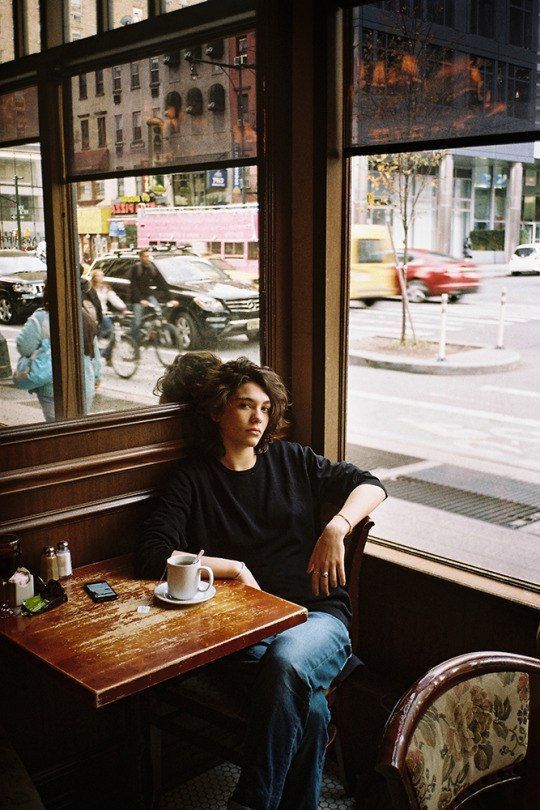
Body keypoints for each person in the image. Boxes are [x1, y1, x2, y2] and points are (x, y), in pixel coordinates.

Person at [137, 353, 387, 810]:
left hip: (317, 618)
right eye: (245, 405)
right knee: (309, 711)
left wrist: (337, 527)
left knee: (289, 661)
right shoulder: (191, 480)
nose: (258, 417)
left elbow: (372, 485)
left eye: (266, 408)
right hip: (244, 630)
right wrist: (231, 567)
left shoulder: (292, 461)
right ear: (216, 411)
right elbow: (154, 552)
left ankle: (250, 802)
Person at [16, 284, 101, 422]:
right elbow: (93, 352)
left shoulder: (40, 318)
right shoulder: (84, 316)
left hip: (52, 389)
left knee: (57, 430)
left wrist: (43, 347)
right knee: (78, 427)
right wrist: (97, 376)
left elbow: (24, 347)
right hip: (85, 386)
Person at [128, 249, 174, 347]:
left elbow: (162, 283)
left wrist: (171, 299)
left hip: (148, 296)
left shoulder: (151, 268)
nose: (147, 258)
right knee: (137, 321)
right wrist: (140, 300)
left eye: (148, 256)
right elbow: (133, 286)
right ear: (141, 257)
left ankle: (155, 336)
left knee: (159, 313)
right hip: (137, 298)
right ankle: (135, 344)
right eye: (145, 256)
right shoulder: (136, 269)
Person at [90, 268, 127, 363]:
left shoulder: (105, 288)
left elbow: (114, 298)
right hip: (94, 315)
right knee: (106, 331)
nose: (101, 277)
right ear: (94, 277)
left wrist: (124, 308)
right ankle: (97, 353)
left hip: (103, 314)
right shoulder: (90, 289)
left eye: (102, 275)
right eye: (99, 275)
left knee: (112, 333)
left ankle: (106, 355)